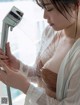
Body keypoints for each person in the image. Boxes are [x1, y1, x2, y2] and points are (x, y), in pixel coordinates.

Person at [0, 0, 80, 104]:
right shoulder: (50, 32)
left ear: (75, 5)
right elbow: (38, 76)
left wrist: (25, 87)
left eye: (50, 8)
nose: (44, 16)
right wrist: (16, 64)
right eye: (43, 8)